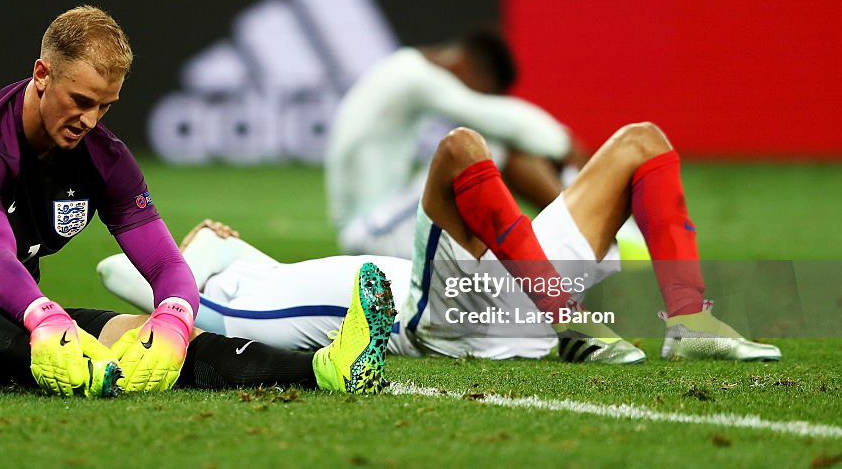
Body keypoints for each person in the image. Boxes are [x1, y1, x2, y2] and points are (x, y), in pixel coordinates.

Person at [0, 5, 394, 397]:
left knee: (138, 336)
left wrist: (172, 317)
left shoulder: (104, 158)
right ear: (42, 75)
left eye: (105, 106)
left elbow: (164, 261)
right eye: (81, 101)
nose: (90, 121)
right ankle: (58, 362)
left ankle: (327, 368)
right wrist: (45, 319)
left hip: (16, 322)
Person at [100, 123, 781, 363]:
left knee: (642, 142)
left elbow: (216, 259)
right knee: (459, 150)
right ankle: (566, 317)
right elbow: (121, 275)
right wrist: (189, 250)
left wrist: (208, 245)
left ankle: (687, 318)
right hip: (446, 316)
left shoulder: (252, 274)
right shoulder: (220, 306)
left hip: (512, 281)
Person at [327, 27, 589, 259]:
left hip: (380, 223)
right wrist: (562, 143)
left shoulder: (404, 69)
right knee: (490, 146)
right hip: (371, 234)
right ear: (463, 64)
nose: (478, 97)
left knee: (484, 147)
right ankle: (585, 230)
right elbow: (491, 116)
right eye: (482, 91)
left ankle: (580, 229)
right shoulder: (414, 77)